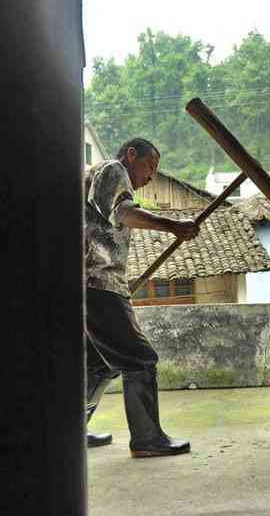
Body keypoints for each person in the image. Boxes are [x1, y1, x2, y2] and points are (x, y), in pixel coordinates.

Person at [83, 137, 200, 457]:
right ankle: (147, 439)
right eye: (151, 166)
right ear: (131, 155)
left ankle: (71, 429)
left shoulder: (97, 178)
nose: (151, 176)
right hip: (98, 283)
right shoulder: (113, 169)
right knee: (140, 358)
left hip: (89, 284)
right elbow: (124, 213)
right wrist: (174, 225)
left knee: (101, 364)